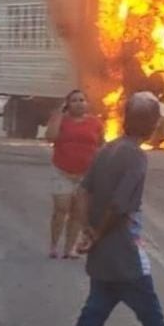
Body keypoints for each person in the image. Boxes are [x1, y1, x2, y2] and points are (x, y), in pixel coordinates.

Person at [61, 92, 164, 326]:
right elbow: (120, 205)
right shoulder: (136, 156)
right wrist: (98, 233)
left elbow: (83, 192)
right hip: (125, 256)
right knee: (153, 320)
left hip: (104, 258)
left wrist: (88, 228)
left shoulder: (107, 149)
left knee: (90, 319)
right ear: (149, 124)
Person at [45, 89, 104, 259]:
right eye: (74, 100)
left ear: (88, 103)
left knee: (78, 213)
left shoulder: (96, 123)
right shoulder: (61, 120)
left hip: (85, 175)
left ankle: (69, 248)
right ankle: (54, 245)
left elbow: (100, 144)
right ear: (68, 104)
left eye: (82, 100)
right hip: (62, 171)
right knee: (61, 209)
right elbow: (50, 137)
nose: (79, 103)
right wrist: (57, 116)